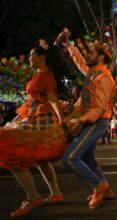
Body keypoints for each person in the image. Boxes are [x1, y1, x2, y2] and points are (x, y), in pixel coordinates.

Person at [0, 43, 69, 217]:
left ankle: (34, 197)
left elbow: (53, 99)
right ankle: (56, 193)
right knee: (41, 160)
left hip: (38, 119)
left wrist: (62, 121)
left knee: (13, 153)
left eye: (31, 55)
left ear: (41, 57)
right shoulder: (41, 74)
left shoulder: (45, 75)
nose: (29, 58)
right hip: (33, 116)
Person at [56, 28, 117, 209]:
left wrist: (79, 120)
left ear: (100, 58)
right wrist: (68, 44)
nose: (87, 55)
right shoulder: (92, 72)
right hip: (90, 120)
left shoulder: (104, 78)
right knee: (88, 160)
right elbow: (80, 61)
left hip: (97, 122)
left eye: (90, 53)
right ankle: (107, 190)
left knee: (70, 158)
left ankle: (98, 186)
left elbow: (98, 110)